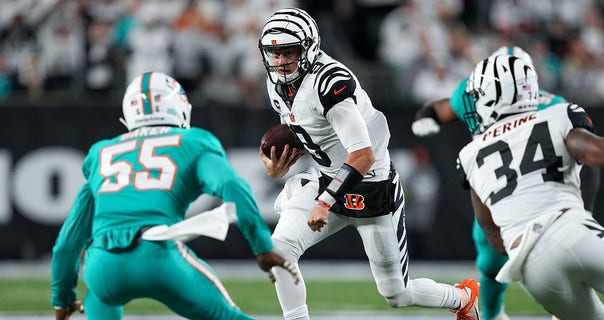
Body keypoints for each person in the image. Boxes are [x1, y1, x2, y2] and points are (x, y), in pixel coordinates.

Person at [257, 7, 479, 320]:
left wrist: (325, 202)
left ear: (308, 48)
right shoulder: (277, 84)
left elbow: (362, 154)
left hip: (370, 186)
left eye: (289, 52)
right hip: (325, 180)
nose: (280, 62)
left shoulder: (330, 83)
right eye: (274, 53)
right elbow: (311, 136)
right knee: (279, 250)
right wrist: (279, 168)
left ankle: (463, 298)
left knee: (397, 294)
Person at [50, 71, 299, 320]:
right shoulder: (192, 141)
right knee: (228, 316)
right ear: (180, 108)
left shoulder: (102, 152)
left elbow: (67, 243)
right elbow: (233, 186)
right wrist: (262, 246)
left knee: (98, 294)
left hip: (102, 265)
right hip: (157, 254)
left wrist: (62, 297)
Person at [411, 45, 601, 320]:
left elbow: (588, 158)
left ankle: (568, 309)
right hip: (495, 193)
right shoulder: (470, 94)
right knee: (490, 263)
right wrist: (426, 116)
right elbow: (440, 108)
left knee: (557, 259)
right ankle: (490, 314)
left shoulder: (554, 106)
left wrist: (584, 210)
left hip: (541, 197)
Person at [457, 54, 604, 319]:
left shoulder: (471, 154)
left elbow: (491, 232)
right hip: (569, 232)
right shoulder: (557, 115)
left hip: (531, 270)